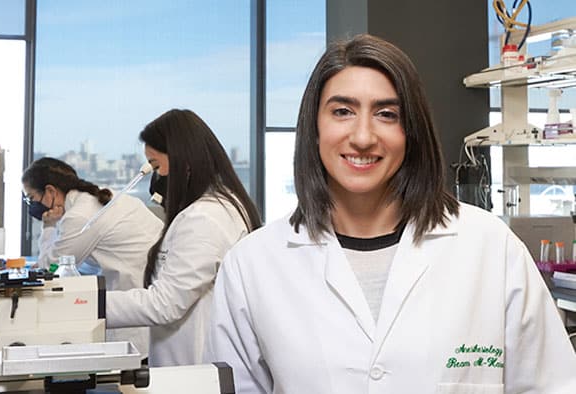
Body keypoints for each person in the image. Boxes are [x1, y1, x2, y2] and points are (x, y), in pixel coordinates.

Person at [205, 34, 576, 393]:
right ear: (314, 128)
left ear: (411, 131)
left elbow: (552, 385)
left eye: (386, 114)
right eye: (342, 111)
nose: (363, 136)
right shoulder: (252, 265)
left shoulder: (491, 247)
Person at [105, 109, 261, 367]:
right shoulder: (208, 209)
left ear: (184, 162)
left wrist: (90, 306)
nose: (155, 176)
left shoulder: (206, 218)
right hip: (185, 366)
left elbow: (165, 304)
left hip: (195, 368)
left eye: (156, 165)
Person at [22, 157, 164, 358]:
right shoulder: (93, 198)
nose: (32, 205)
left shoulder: (79, 216)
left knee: (130, 371)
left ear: (51, 192)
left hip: (135, 296)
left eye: (32, 198)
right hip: (145, 286)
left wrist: (49, 226)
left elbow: (49, 269)